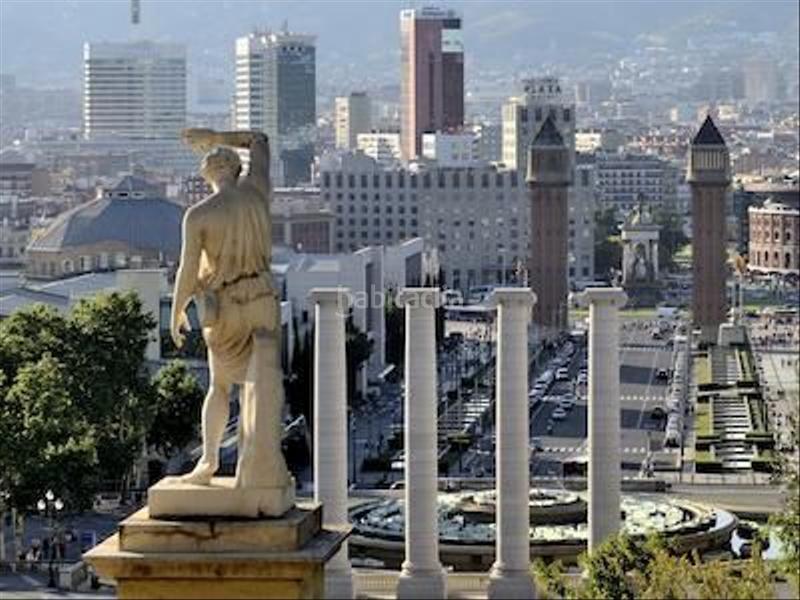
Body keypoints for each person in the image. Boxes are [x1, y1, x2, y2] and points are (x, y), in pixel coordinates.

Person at [172, 128, 289, 491]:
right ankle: (257, 467)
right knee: (261, 386)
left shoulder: (199, 214)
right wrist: (217, 136)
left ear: (208, 175)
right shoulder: (257, 193)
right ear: (237, 169)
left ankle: (208, 462)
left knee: (221, 387)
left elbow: (188, 270)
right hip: (265, 301)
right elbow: (261, 141)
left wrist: (177, 310)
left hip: (227, 308)